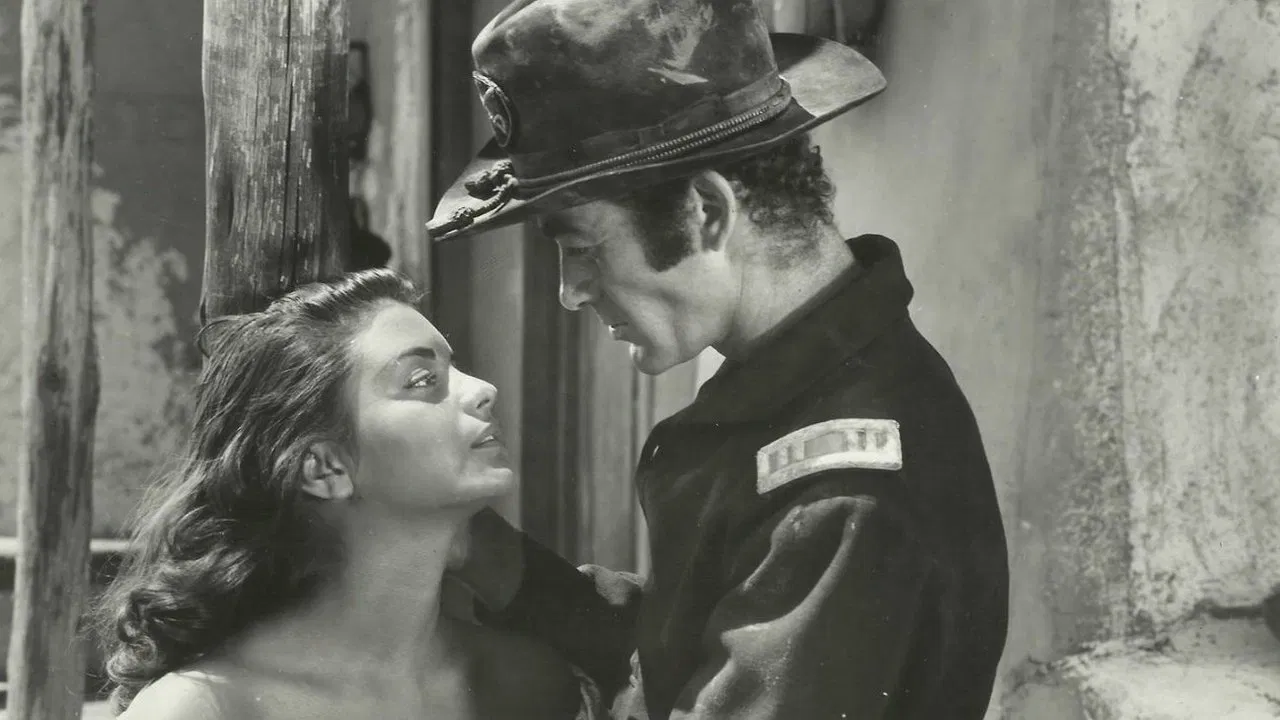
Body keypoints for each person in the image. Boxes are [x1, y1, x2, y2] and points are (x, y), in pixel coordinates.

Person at [428, 0, 1010, 718]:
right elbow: (677, 658)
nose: (570, 291)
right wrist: (482, 552)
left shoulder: (843, 493)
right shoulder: (797, 387)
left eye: (581, 247)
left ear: (706, 211)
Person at [95, 269, 603, 719]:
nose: (482, 388)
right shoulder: (205, 707)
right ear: (325, 469)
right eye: (422, 380)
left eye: (456, 367)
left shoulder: (530, 684)